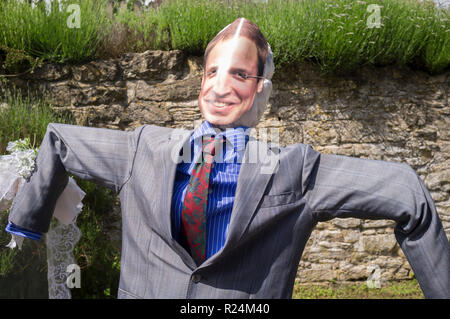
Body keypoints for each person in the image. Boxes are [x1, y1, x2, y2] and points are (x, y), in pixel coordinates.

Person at [6, 18, 450, 299]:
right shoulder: (141, 147)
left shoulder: (296, 169)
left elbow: (405, 190)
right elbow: (59, 140)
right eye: (212, 71)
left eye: (239, 73)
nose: (220, 87)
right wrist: (26, 225)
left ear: (260, 89)